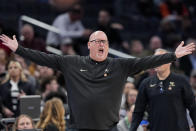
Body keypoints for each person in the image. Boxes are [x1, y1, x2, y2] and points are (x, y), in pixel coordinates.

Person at [0, 31, 195, 130]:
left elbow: (147, 60)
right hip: (78, 128)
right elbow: (42, 57)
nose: (102, 44)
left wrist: (172, 55)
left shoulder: (120, 65)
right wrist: (19, 50)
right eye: (98, 41)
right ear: (89, 45)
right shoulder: (72, 62)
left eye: (105, 42)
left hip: (109, 128)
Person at [130, 48, 196, 131]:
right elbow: (138, 111)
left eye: (161, 58)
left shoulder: (181, 81)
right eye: (155, 59)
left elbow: (193, 107)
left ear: (170, 62)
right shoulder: (146, 83)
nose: (157, 62)